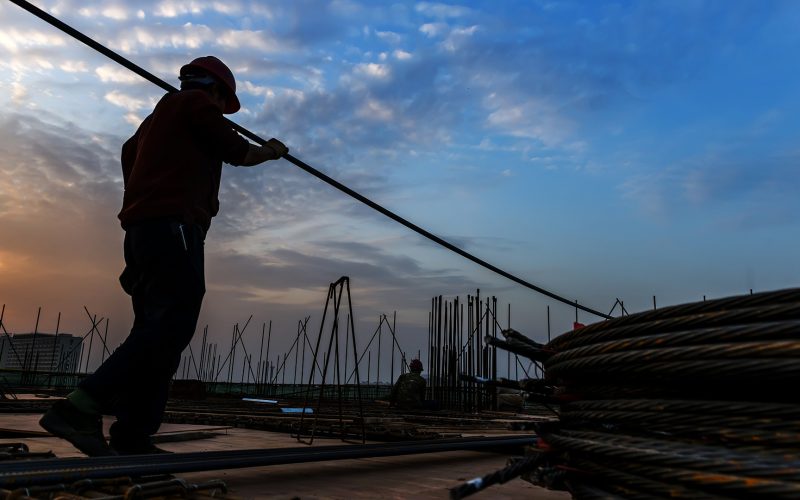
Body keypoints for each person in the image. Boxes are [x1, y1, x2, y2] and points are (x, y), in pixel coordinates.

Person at [39, 56, 288, 456]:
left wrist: (144, 207)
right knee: (171, 326)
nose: (225, 112)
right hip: (174, 229)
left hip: (146, 232)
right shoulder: (194, 104)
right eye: (225, 104)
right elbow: (237, 152)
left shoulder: (153, 122)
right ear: (217, 91)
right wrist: (270, 151)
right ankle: (79, 407)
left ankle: (133, 435)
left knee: (158, 333)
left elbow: (127, 154)